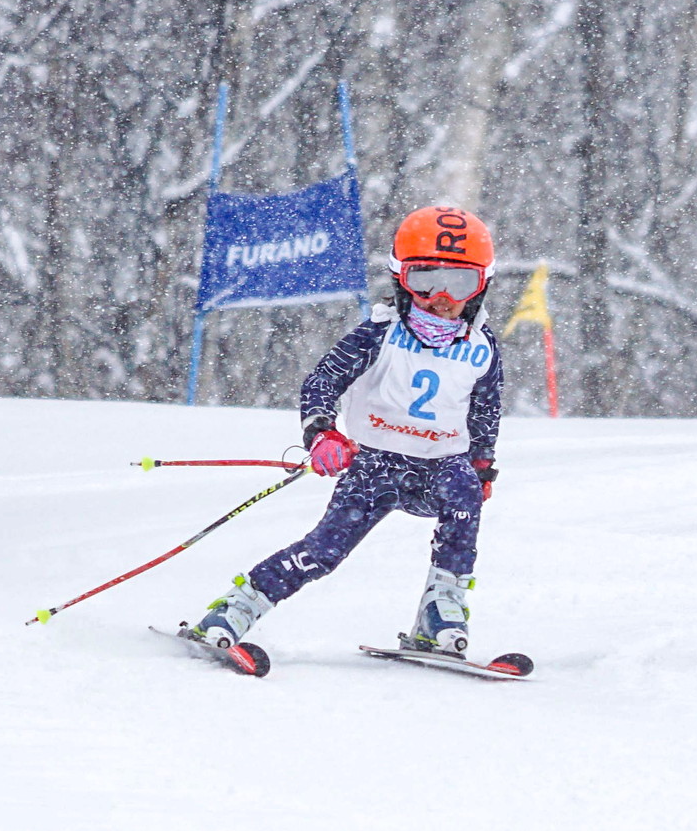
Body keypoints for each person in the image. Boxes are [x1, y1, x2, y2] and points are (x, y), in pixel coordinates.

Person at [189, 205, 503, 657]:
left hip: (440, 465)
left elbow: (486, 409)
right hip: (375, 464)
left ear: (480, 287)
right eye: (424, 280)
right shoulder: (379, 334)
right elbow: (322, 383)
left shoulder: (483, 346)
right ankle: (236, 608)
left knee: (463, 494)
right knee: (324, 552)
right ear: (400, 281)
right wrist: (323, 434)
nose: (441, 297)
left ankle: (441, 610)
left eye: (460, 283)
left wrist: (482, 466)